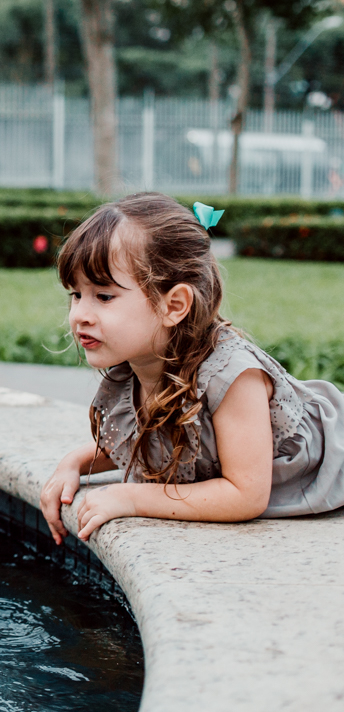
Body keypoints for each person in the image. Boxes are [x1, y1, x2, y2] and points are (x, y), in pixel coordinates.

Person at [40, 192, 344, 544]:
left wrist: (132, 498)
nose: (79, 315)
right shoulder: (138, 365)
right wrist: (75, 464)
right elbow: (151, 439)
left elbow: (245, 494)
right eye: (76, 295)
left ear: (174, 305)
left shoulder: (233, 378)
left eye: (104, 296)